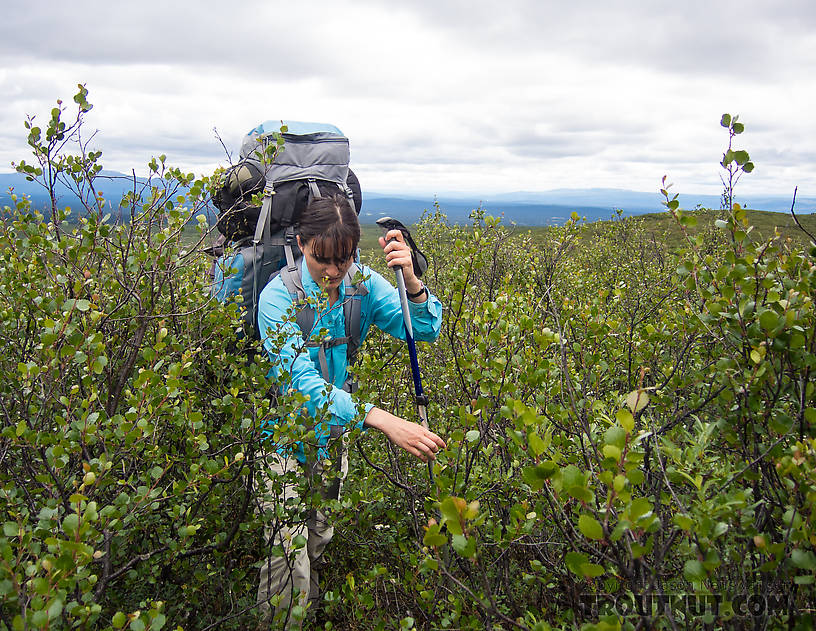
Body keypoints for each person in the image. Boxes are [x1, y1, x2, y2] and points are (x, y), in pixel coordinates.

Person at [255, 192, 445, 628]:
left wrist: (411, 282)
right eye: (324, 259)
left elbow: (425, 329)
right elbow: (302, 386)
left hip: (332, 440)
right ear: (302, 244)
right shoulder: (277, 299)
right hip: (281, 442)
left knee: (319, 539)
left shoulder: (360, 284)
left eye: (344, 259)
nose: (335, 271)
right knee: (290, 559)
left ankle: (309, 615)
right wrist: (380, 418)